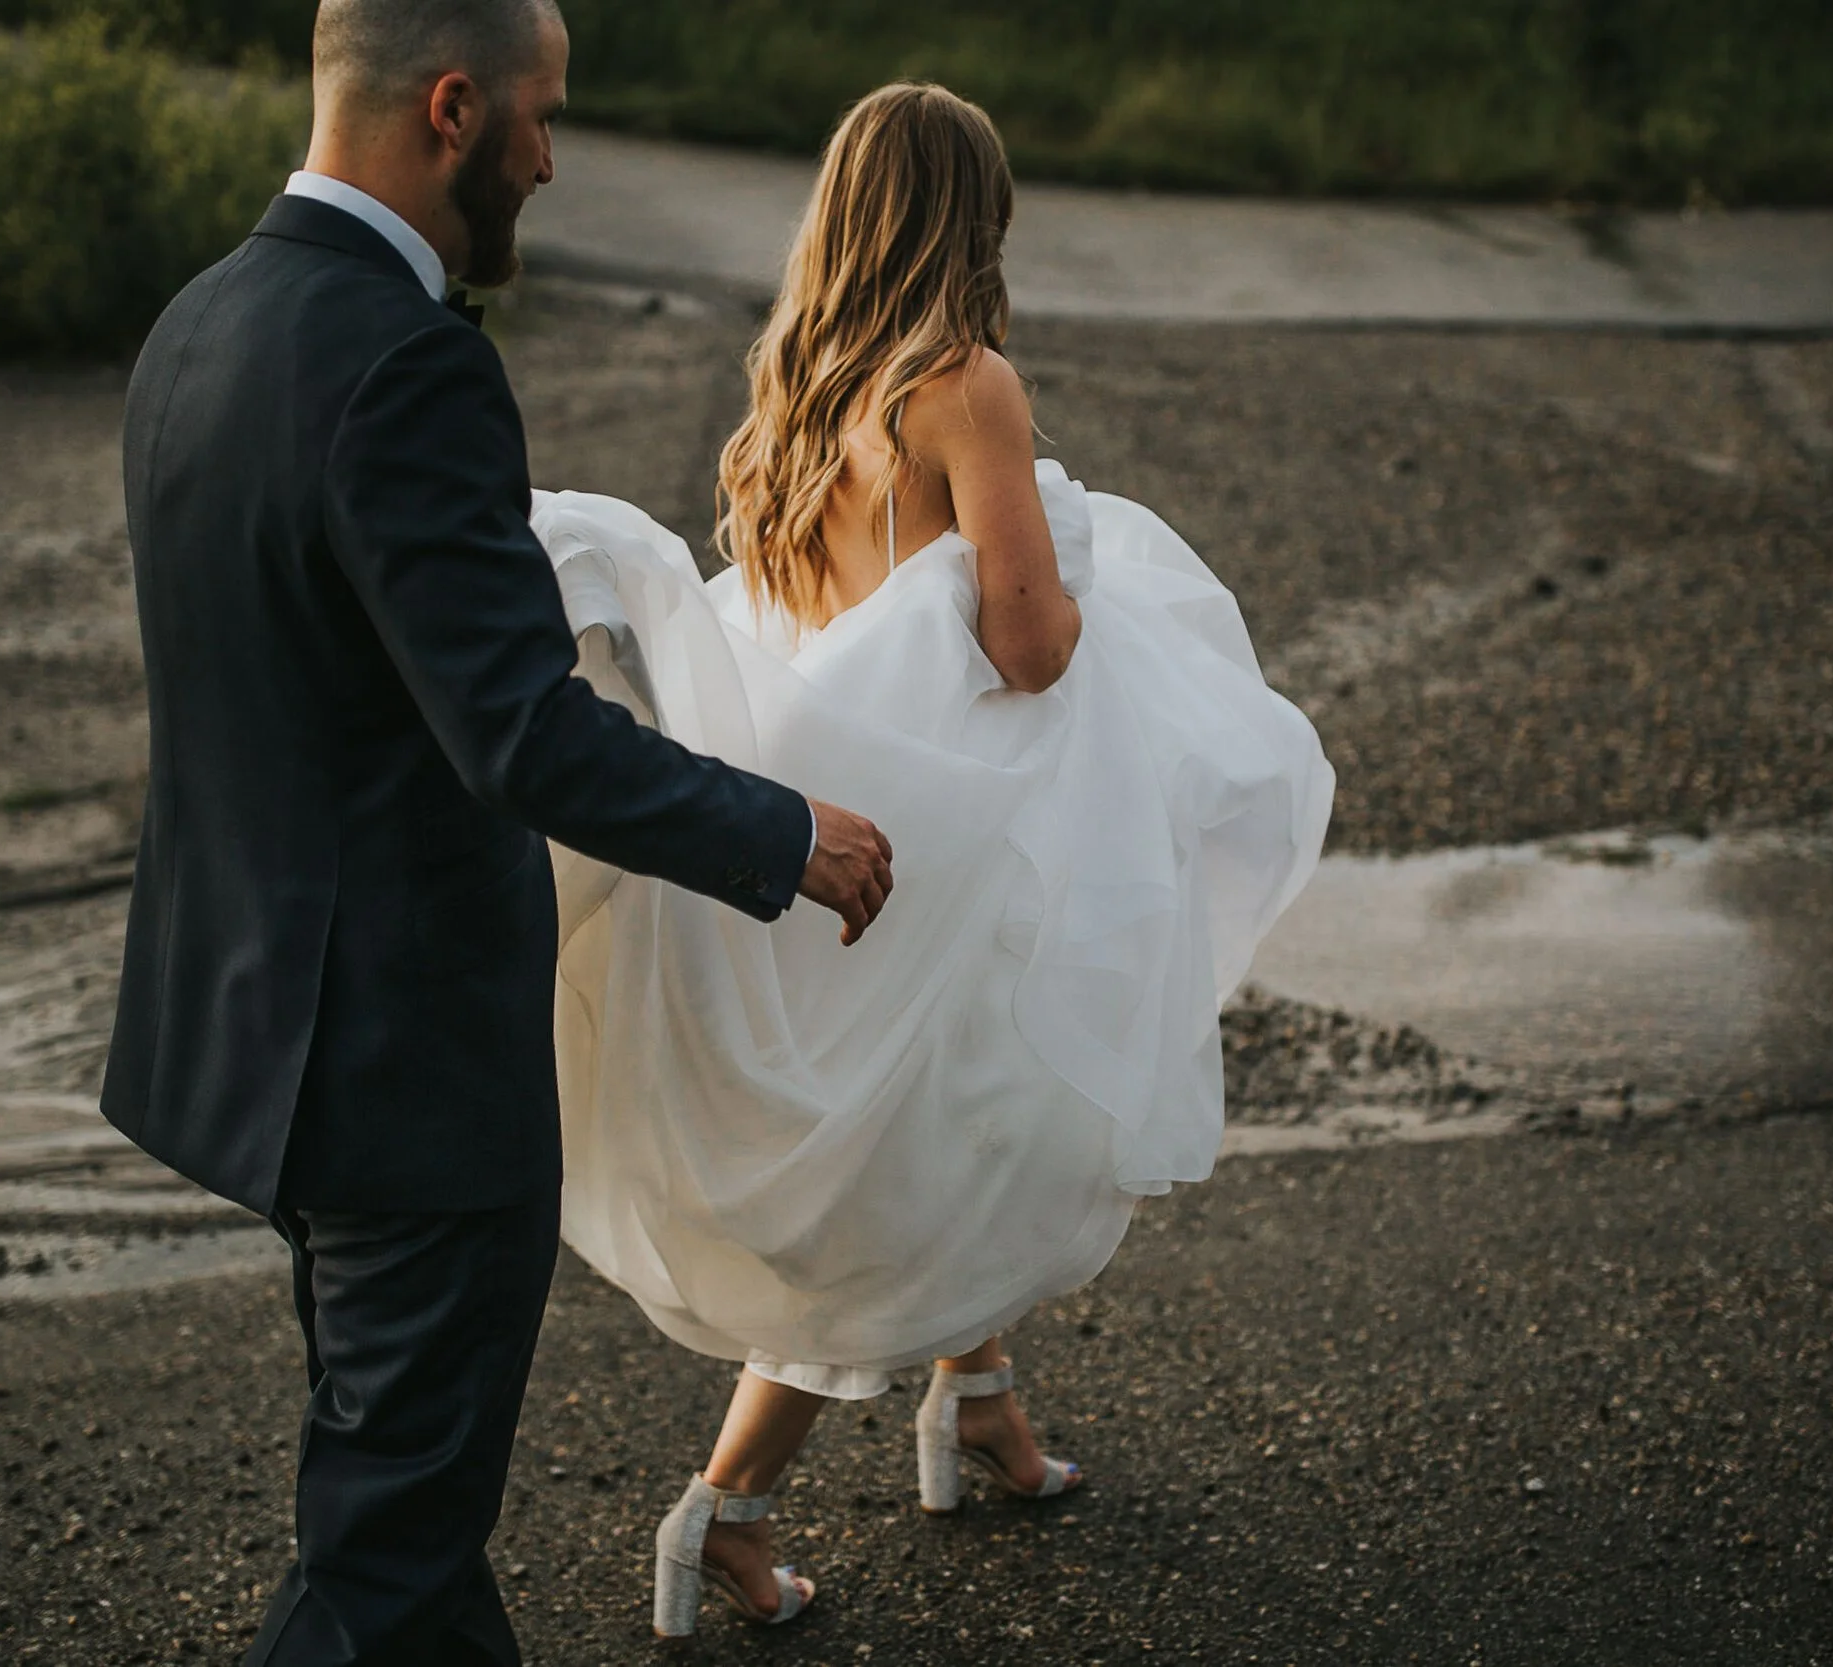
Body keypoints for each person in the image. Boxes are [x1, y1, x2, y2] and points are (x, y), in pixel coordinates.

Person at [98, 0, 895, 1660]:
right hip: (402, 1071)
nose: (551, 157)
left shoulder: (197, 323)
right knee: (386, 1551)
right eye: (537, 118)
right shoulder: (409, 362)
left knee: (408, 1510)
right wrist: (782, 832)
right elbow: (521, 733)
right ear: (450, 109)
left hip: (251, 1034)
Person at [527, 83, 1334, 1635]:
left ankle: (982, 1413)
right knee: (919, 1162)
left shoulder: (791, 391)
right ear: (977, 220)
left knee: (985, 1104)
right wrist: (1093, 580)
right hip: (941, 835)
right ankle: (728, 1515)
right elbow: (1028, 648)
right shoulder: (965, 387)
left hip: (826, 814)